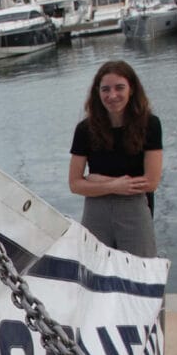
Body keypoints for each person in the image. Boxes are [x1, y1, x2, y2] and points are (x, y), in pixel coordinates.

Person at [67, 60, 164, 258]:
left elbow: (151, 182)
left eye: (119, 88)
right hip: (96, 211)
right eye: (105, 89)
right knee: (94, 269)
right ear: (97, 92)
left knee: (139, 269)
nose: (112, 95)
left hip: (134, 209)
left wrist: (97, 180)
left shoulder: (150, 124)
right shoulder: (85, 130)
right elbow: (75, 184)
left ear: (131, 89)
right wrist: (114, 186)